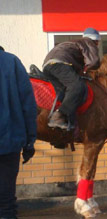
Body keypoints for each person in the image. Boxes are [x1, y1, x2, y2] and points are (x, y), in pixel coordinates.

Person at [0, 46, 37, 219]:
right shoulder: (12, 62)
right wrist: (30, 141)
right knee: (6, 201)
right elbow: (28, 105)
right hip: (9, 142)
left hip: (10, 141)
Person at [43, 27, 101, 131]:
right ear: (96, 41)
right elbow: (93, 62)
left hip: (48, 66)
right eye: (97, 43)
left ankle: (61, 131)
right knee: (78, 86)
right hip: (59, 64)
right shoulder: (88, 42)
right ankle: (58, 116)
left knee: (66, 93)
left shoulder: (73, 43)